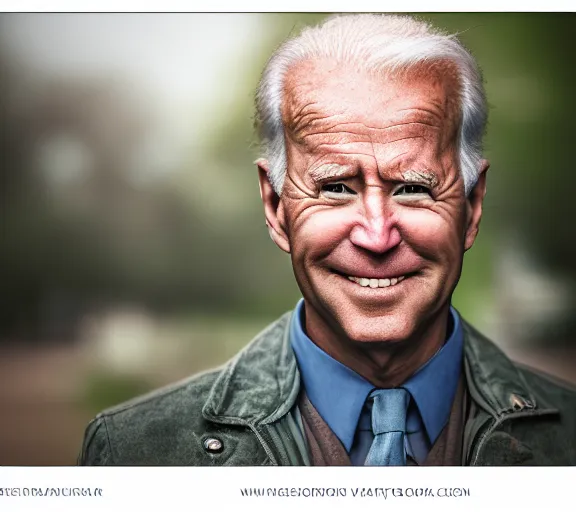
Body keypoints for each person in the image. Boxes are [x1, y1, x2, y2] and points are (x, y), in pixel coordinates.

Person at [79, 14, 576, 466]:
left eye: (413, 188)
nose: (377, 235)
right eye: (335, 187)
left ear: (471, 206)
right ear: (276, 207)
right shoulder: (135, 455)